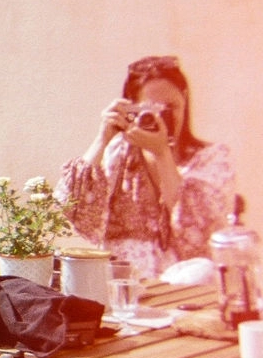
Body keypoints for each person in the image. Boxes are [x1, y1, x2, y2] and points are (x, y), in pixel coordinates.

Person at [55, 55, 235, 283]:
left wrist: (162, 154)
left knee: (202, 272)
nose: (161, 116)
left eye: (171, 107)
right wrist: (102, 139)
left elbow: (203, 232)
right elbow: (70, 207)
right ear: (131, 107)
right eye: (151, 108)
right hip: (125, 281)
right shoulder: (118, 153)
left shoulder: (212, 158)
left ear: (185, 102)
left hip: (184, 283)